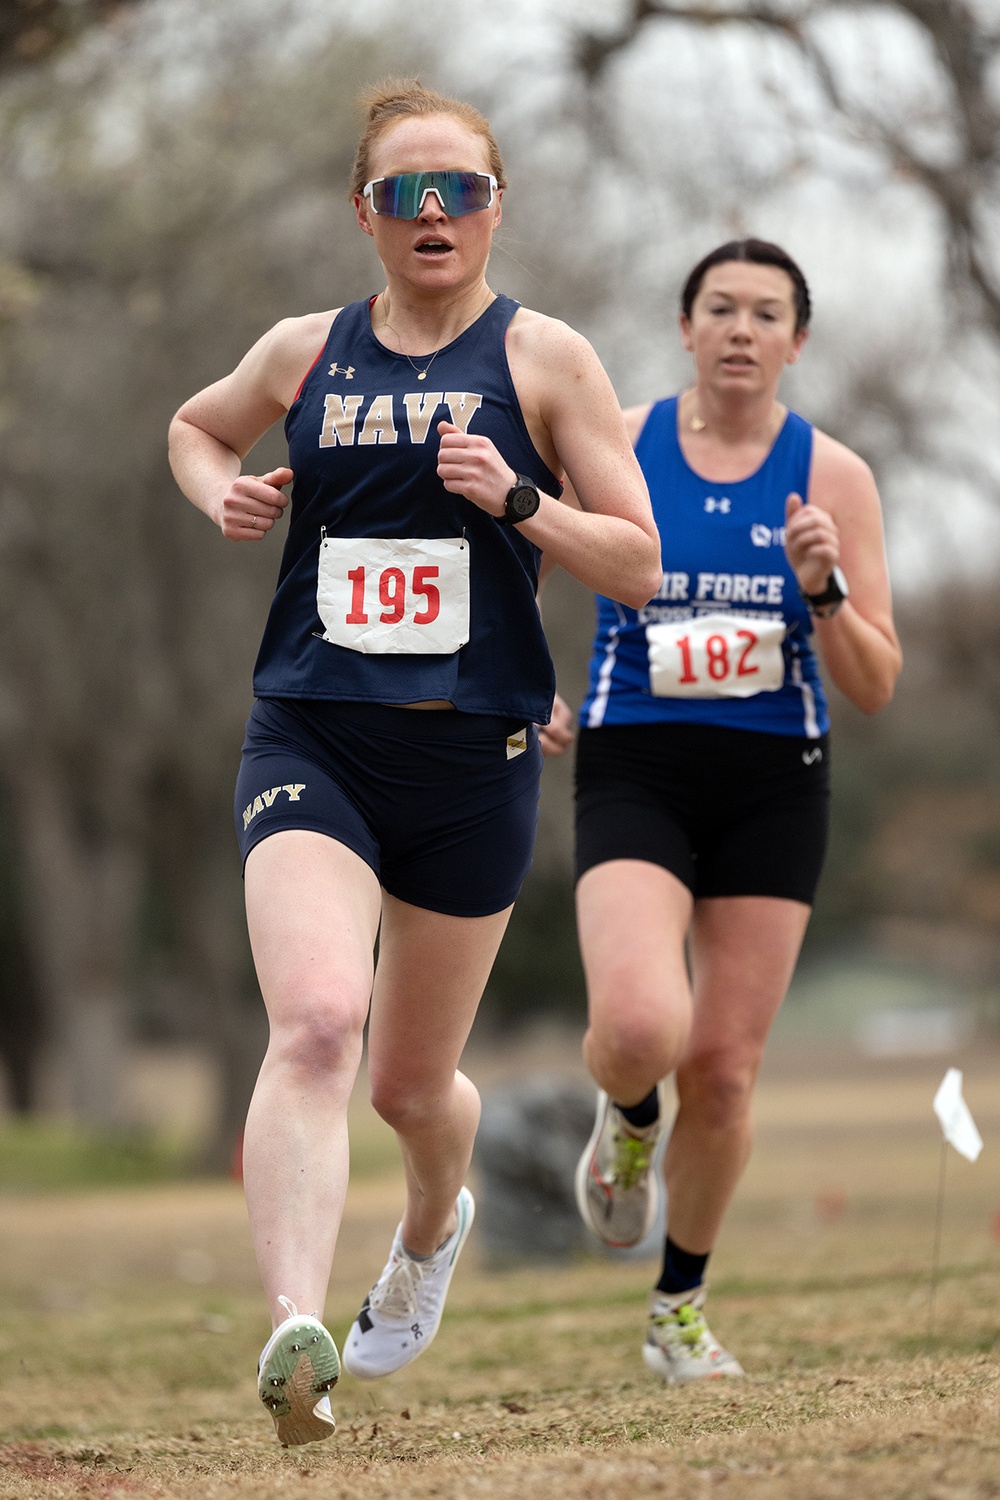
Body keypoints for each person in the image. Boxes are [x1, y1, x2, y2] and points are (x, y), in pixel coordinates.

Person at [168, 79, 660, 1445]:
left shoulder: (547, 361)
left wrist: (522, 498)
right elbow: (195, 428)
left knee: (405, 1085)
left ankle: (434, 1221)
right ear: (363, 211)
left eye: (461, 190)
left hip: (472, 761)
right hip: (312, 736)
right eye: (406, 192)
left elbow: (640, 560)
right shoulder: (301, 352)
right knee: (320, 1022)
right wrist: (231, 493)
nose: (434, 213)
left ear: (496, 207)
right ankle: (293, 1335)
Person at [556, 239, 901, 1383]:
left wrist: (825, 589)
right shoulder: (625, 443)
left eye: (767, 313)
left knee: (728, 1071)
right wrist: (525, 695)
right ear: (686, 327)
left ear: (798, 341)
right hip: (635, 765)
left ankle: (677, 1311)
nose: (742, 329)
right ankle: (624, 1125)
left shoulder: (833, 477)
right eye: (721, 308)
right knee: (643, 1032)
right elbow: (535, 560)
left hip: (772, 782)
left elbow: (874, 682)